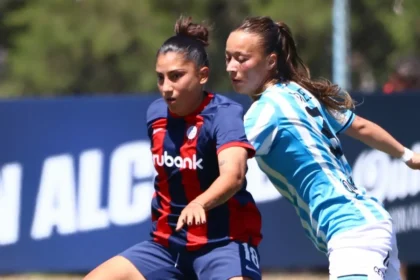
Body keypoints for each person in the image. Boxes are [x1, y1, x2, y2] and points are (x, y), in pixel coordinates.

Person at [225, 16, 420, 280]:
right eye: (228, 58)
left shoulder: (264, 112)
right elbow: (360, 126)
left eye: (241, 58)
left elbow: (225, 166)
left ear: (271, 61)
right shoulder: (299, 93)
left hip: (353, 234)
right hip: (372, 222)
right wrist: (407, 155)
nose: (231, 67)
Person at [83, 16, 262, 280]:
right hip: (166, 247)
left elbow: (233, 175)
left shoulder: (224, 115)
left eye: (176, 76)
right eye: (160, 78)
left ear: (202, 76)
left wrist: (199, 203)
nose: (166, 88)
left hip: (224, 244)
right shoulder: (155, 114)